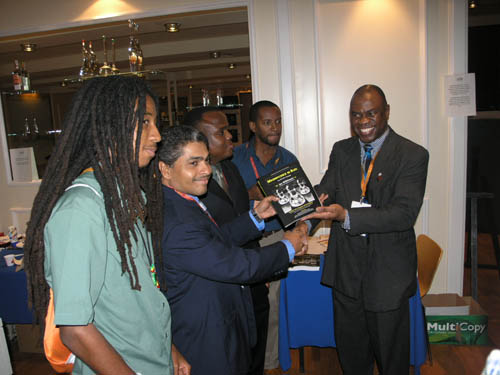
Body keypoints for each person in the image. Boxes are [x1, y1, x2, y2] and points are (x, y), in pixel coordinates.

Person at [24, 76, 189, 375]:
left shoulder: (125, 196)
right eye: (144, 122)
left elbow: (139, 297)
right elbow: (75, 329)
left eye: (155, 122)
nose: (157, 136)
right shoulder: (81, 208)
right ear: (108, 125)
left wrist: (170, 350)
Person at [157, 125, 308, 375]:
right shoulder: (176, 219)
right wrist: (287, 247)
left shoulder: (183, 200)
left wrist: (255, 217)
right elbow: (235, 265)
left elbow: (215, 242)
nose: (206, 170)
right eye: (193, 163)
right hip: (207, 338)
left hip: (220, 324)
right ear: (165, 168)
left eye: (205, 161)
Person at [303, 84, 429, 375]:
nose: (362, 122)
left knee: (391, 358)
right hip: (346, 270)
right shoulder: (342, 149)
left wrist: (347, 216)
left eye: (370, 113)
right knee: (352, 354)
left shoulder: (412, 154)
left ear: (386, 112)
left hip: (388, 276)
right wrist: (302, 217)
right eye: (356, 115)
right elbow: (326, 190)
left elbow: (403, 214)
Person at [232, 100, 299, 370]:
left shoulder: (288, 159)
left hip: (276, 237)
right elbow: (224, 201)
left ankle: (269, 363)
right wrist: (251, 194)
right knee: (246, 306)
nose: (275, 127)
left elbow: (296, 205)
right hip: (244, 241)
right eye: (267, 122)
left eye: (278, 121)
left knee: (272, 305)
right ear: (252, 126)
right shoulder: (234, 158)